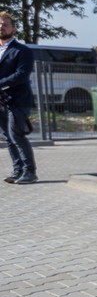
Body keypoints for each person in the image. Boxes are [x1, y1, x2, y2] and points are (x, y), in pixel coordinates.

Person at [0, 11, 38, 185]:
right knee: (8, 137)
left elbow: (21, 75)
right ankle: (18, 170)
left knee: (17, 135)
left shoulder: (22, 51)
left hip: (18, 101)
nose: (1, 27)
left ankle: (30, 172)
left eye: (5, 24)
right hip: (1, 101)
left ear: (13, 29)